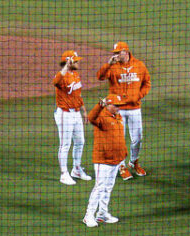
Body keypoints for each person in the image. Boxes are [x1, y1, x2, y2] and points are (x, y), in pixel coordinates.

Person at [96, 42, 151, 176]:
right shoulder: (113, 66)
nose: (115, 55)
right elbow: (100, 77)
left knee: (137, 138)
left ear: (125, 52)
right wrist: (108, 64)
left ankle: (134, 162)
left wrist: (138, 96)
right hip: (118, 109)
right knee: (119, 140)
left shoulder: (139, 65)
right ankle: (121, 166)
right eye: (114, 53)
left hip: (134, 108)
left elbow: (147, 83)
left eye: (117, 52)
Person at [82, 94, 125, 226]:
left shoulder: (118, 117)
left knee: (108, 188)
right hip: (103, 159)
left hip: (115, 159)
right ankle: (88, 216)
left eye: (119, 106)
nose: (118, 108)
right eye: (115, 105)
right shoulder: (101, 116)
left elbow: (119, 137)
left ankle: (102, 214)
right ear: (108, 105)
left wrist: (123, 154)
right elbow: (91, 118)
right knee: (100, 187)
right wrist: (100, 105)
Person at [52, 52, 90, 185]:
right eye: (76, 61)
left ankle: (76, 169)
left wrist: (84, 111)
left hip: (76, 113)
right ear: (69, 62)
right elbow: (55, 81)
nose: (79, 62)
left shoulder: (75, 74)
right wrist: (65, 67)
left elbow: (78, 95)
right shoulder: (61, 76)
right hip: (64, 114)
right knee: (65, 144)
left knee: (80, 141)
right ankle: (64, 174)